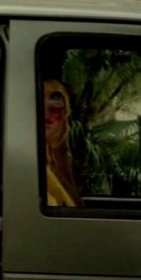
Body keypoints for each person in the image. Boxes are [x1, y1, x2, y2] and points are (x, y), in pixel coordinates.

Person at [43, 79, 82, 207]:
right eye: (39, 108)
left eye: (54, 109)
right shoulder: (32, 168)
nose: (46, 115)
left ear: (65, 116)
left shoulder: (56, 164)